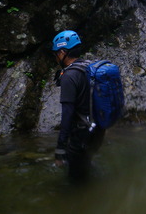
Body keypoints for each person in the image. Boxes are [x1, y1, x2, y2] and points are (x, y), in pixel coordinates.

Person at [51, 30, 105, 182]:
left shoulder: (69, 76)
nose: (55, 57)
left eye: (56, 53)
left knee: (75, 182)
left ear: (62, 52)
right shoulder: (89, 67)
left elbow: (67, 116)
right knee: (85, 166)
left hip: (81, 135)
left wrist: (59, 151)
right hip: (98, 131)